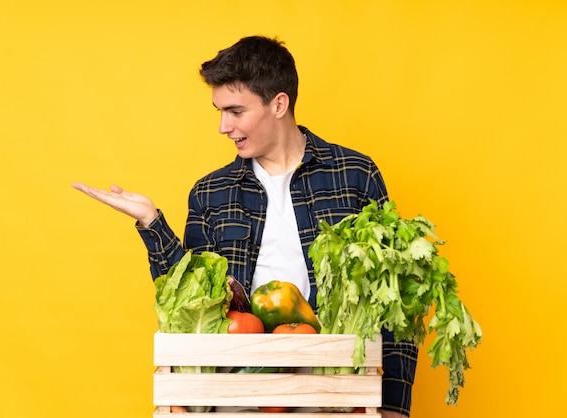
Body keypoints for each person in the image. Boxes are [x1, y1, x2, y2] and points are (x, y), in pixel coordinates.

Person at [73, 35, 417, 417]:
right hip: (236, 385)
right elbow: (193, 300)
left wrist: (393, 406)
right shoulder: (210, 192)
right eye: (219, 111)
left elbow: (394, 296)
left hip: (330, 388)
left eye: (236, 112)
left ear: (279, 104)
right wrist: (151, 222)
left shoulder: (354, 174)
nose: (223, 126)